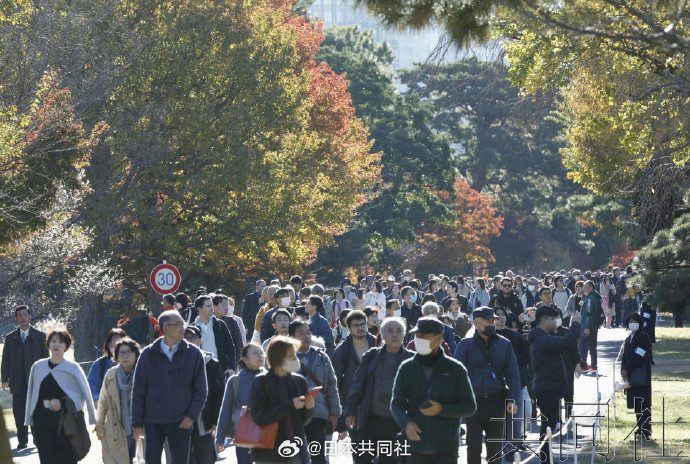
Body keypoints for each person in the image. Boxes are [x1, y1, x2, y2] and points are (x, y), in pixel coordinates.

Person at [391, 317, 477, 463]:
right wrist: (406, 423)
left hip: (446, 446)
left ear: (438, 338)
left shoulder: (455, 369)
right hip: (415, 445)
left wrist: (441, 409)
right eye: (417, 336)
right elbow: (396, 404)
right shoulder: (407, 368)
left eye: (424, 336)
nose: (419, 339)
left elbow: (469, 407)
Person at [131, 310, 208, 464]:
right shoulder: (148, 354)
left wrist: (191, 416)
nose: (182, 328)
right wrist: (137, 422)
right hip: (153, 420)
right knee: (152, 460)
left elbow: (201, 390)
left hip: (182, 420)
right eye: (178, 324)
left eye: (183, 324)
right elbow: (139, 390)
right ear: (165, 328)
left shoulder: (193, 354)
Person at [454, 307, 521, 463]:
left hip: (496, 402)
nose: (492, 323)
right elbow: (456, 374)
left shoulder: (505, 344)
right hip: (473, 403)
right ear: (476, 323)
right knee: (474, 448)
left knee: (495, 449)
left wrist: (513, 399)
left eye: (493, 320)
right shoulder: (465, 345)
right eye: (488, 321)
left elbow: (513, 374)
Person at [344, 317, 413, 464]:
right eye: (390, 331)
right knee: (362, 459)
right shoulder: (371, 357)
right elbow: (357, 386)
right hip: (371, 420)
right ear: (382, 334)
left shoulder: (412, 360)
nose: (394, 334)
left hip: (397, 423)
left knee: (390, 461)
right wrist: (350, 411)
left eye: (398, 331)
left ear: (404, 334)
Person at [25, 329, 96, 464]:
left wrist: (63, 403)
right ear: (48, 344)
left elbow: (83, 395)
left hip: (66, 425)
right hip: (42, 425)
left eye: (61, 342)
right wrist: (30, 419)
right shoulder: (38, 367)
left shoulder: (73, 368)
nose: (57, 345)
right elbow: (32, 397)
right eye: (53, 341)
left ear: (66, 346)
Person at [248, 336, 315, 463]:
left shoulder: (299, 381)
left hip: (297, 449)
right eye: (291, 355)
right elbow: (258, 416)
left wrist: (308, 408)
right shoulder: (261, 381)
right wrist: (291, 405)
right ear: (278, 358)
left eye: (295, 354)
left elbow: (304, 420)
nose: (295, 358)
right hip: (270, 453)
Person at [528, 307, 581, 462]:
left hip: (550, 386)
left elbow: (562, 342)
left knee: (549, 424)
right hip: (547, 387)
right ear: (544, 320)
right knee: (548, 424)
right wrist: (575, 325)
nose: (555, 322)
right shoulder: (541, 338)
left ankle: (547, 456)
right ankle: (546, 458)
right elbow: (563, 343)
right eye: (552, 319)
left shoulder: (545, 336)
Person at [289, 320, 341, 464]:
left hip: (317, 413)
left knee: (318, 455)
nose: (306, 336)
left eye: (308, 333)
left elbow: (331, 385)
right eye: (301, 333)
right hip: (292, 414)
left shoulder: (322, 357)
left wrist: (334, 412)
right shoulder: (284, 358)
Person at [1, 305, 49, 450]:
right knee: (19, 412)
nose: (23, 317)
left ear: (30, 316)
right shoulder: (10, 338)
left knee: (36, 411)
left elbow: (46, 359)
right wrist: (4, 379)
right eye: (19, 315)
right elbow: (6, 360)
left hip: (36, 381)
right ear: (16, 319)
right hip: (17, 382)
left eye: (25, 314)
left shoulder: (40, 336)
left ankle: (38, 439)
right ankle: (22, 441)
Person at [331, 310, 377, 444]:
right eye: (356, 326)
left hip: (378, 403)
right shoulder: (342, 351)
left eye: (363, 324)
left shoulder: (378, 344)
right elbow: (336, 384)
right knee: (360, 448)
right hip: (354, 406)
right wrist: (340, 420)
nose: (360, 328)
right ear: (349, 329)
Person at [216, 343, 266, 464]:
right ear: (245, 359)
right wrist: (220, 437)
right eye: (255, 353)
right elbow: (226, 409)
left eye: (261, 353)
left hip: (267, 431)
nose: (260, 355)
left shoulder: (271, 378)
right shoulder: (235, 381)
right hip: (243, 433)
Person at [181, 325, 225, 464]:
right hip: (182, 423)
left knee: (205, 458)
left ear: (200, 340)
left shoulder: (212, 365)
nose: (189, 340)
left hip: (204, 423)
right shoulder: (175, 363)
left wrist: (215, 421)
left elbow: (219, 395)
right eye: (185, 337)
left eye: (192, 337)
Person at [95, 337, 141, 464]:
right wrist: (99, 426)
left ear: (136, 354)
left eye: (129, 352)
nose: (125, 356)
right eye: (122, 352)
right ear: (117, 356)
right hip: (115, 426)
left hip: (138, 426)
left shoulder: (142, 373)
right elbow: (103, 402)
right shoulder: (111, 374)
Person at [620, 313, 653, 439]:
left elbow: (639, 356)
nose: (632, 323)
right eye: (630, 321)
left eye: (635, 321)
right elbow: (625, 356)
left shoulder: (644, 337)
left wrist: (627, 369)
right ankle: (640, 428)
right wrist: (623, 370)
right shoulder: (629, 338)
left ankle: (646, 430)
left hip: (640, 374)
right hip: (630, 375)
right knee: (636, 402)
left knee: (643, 402)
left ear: (639, 323)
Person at [192, 295, 237, 375]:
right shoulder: (192, 328)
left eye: (211, 305)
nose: (211, 308)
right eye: (208, 306)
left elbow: (230, 347)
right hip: (200, 372)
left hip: (220, 370)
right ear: (199, 309)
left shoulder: (220, 324)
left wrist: (231, 368)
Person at [551, 308, 582, 419]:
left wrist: (577, 364)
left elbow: (574, 350)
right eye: (553, 317)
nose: (555, 320)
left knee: (568, 394)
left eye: (558, 317)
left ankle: (568, 416)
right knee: (555, 396)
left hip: (568, 368)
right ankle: (556, 419)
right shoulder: (545, 334)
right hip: (552, 370)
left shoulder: (567, 332)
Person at [87, 328, 127, 408]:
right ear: (108, 344)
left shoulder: (133, 363)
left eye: (121, 341)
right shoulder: (100, 364)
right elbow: (92, 383)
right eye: (114, 341)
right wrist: (96, 400)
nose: (117, 345)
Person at [579, 280, 602, 372]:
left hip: (588, 326)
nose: (583, 288)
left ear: (590, 287)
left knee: (582, 346)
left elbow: (589, 313)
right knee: (592, 347)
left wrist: (587, 327)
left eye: (585, 286)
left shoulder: (589, 298)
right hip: (594, 326)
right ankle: (593, 366)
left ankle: (583, 365)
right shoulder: (596, 297)